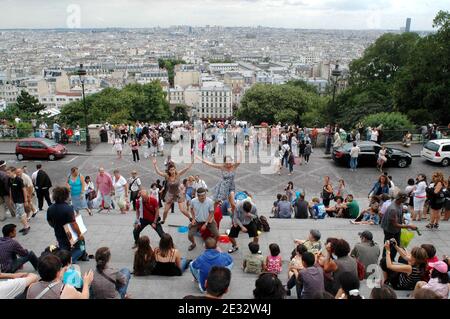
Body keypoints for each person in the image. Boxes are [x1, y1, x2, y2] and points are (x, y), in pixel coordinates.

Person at [47, 186, 86, 264]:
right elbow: (73, 224)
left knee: (63, 249)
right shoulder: (68, 208)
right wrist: (79, 234)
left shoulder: (50, 208)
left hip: (58, 233)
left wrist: (55, 226)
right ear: (65, 196)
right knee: (80, 248)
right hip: (70, 234)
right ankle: (70, 261)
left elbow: (49, 221)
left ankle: (63, 259)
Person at [26, 254, 93, 299]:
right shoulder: (65, 289)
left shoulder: (31, 287)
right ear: (57, 273)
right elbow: (84, 297)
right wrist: (86, 283)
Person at [197, 148, 243, 213]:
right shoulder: (222, 166)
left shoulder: (233, 166)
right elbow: (210, 164)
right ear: (224, 162)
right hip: (223, 187)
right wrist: (201, 160)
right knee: (217, 202)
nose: (228, 164)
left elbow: (240, 161)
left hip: (231, 186)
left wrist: (240, 151)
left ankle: (234, 218)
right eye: (227, 163)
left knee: (232, 204)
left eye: (230, 162)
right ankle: (213, 215)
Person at [152, 159, 193, 224]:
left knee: (182, 210)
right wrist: (155, 165)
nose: (173, 171)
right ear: (169, 171)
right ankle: (163, 220)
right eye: (171, 170)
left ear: (175, 169)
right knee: (165, 211)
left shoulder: (178, 174)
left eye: (173, 169)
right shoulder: (167, 176)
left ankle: (190, 218)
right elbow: (158, 172)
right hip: (170, 194)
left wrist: (190, 164)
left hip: (178, 194)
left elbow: (186, 169)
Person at [381, 192, 418, 259]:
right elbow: (395, 224)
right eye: (406, 198)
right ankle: (385, 260)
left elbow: (400, 214)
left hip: (396, 230)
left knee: (396, 244)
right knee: (388, 245)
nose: (407, 200)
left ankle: (392, 259)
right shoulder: (393, 209)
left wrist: (403, 221)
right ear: (400, 199)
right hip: (390, 230)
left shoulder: (400, 204)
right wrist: (409, 226)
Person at [7, 167, 30, 235]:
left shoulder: (19, 180)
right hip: (15, 200)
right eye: (7, 173)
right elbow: (10, 189)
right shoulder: (10, 179)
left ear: (13, 172)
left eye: (9, 173)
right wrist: (11, 199)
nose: (7, 174)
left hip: (20, 200)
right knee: (20, 215)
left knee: (22, 214)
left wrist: (25, 200)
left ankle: (26, 227)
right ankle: (25, 226)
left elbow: (24, 190)